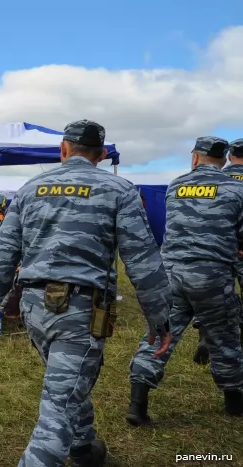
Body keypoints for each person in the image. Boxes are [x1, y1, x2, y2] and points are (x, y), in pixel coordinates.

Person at [0, 119, 172, 467]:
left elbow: (0, 253)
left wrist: (2, 300)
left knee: (67, 383)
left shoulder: (30, 188)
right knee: (60, 402)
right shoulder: (118, 189)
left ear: (63, 150)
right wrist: (159, 319)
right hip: (79, 312)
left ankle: (84, 448)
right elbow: (143, 261)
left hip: (34, 309)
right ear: (101, 154)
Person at [128, 137, 243, 426]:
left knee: (160, 335)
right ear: (224, 158)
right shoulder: (237, 189)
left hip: (171, 274)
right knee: (225, 338)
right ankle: (234, 403)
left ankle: (137, 404)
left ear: (195, 158)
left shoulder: (176, 186)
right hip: (212, 276)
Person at [192, 138, 243, 365]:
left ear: (230, 156)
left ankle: (205, 335)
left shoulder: (217, 178)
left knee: (217, 292)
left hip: (214, 248)